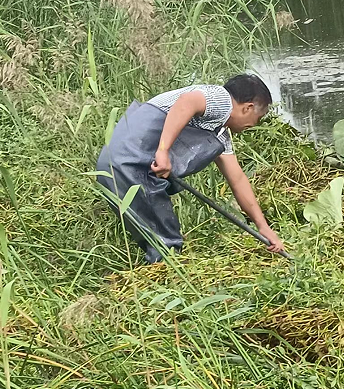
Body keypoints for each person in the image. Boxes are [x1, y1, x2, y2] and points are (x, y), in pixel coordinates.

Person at [96, 74, 285, 263]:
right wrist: (163, 151)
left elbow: (237, 179)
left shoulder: (219, 133)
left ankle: (161, 269)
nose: (254, 124)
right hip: (131, 159)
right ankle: (169, 274)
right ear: (248, 108)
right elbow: (187, 102)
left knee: (154, 229)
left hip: (116, 163)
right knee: (166, 244)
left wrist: (263, 226)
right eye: (258, 117)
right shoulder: (221, 100)